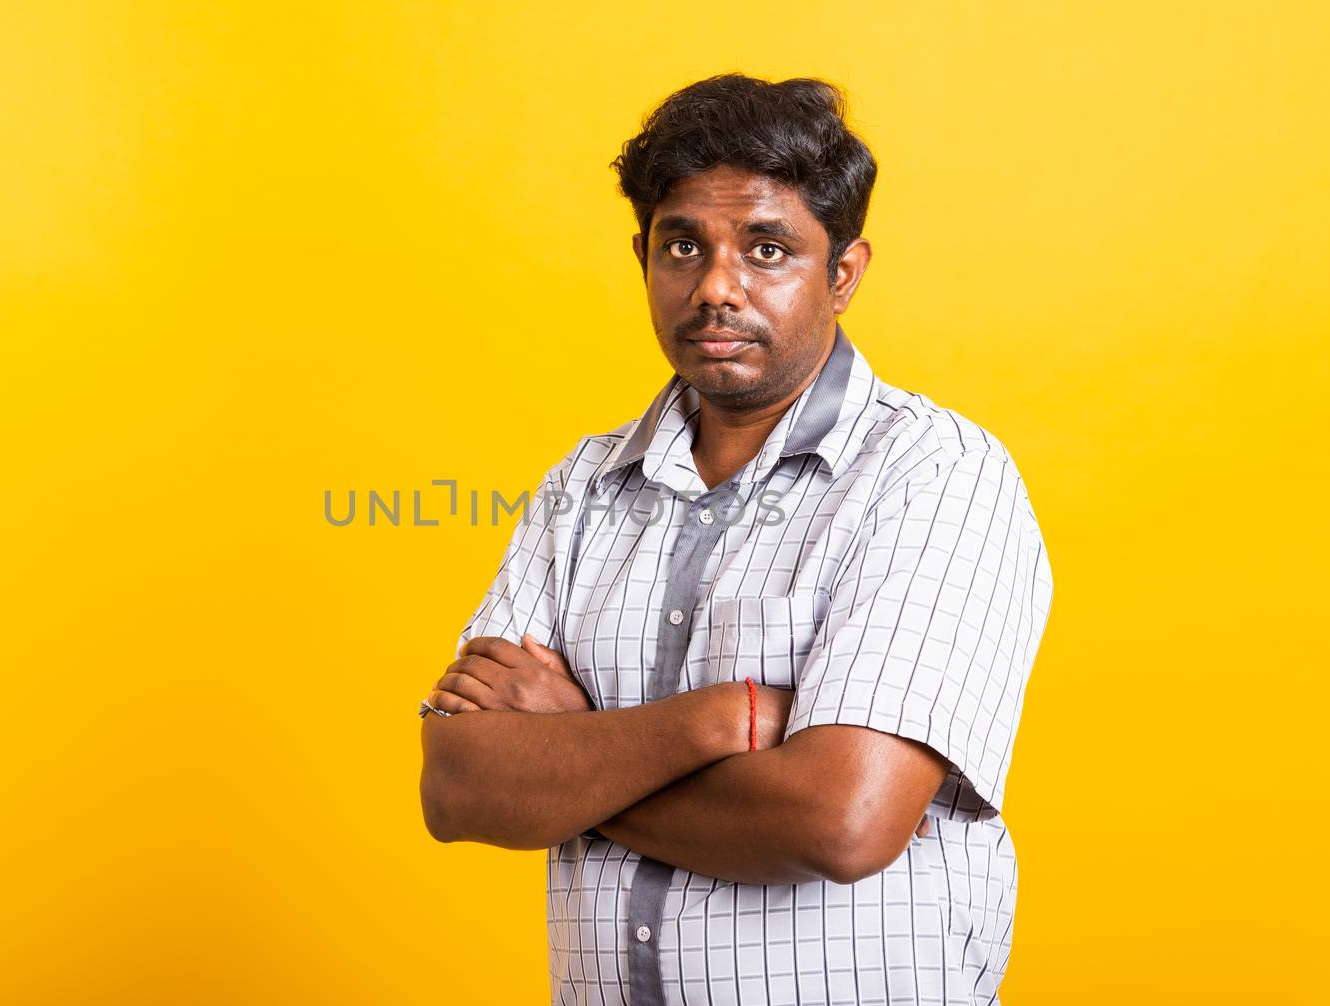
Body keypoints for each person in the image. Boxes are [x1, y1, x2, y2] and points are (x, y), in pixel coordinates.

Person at [417, 72, 1053, 1006]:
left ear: (843, 271)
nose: (716, 288)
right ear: (643, 257)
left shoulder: (937, 475)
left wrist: (574, 756)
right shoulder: (581, 489)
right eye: (683, 246)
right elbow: (460, 789)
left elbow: (842, 821)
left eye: (766, 249)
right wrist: (718, 722)